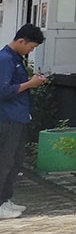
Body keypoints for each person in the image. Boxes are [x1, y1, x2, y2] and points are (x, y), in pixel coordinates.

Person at [0, 25, 47, 220]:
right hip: (7, 119)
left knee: (16, 162)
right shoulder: (4, 59)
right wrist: (30, 83)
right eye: (31, 47)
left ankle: (4, 199)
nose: (31, 51)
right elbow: (3, 91)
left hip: (18, 118)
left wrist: (31, 82)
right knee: (4, 161)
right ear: (21, 41)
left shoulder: (16, 59)